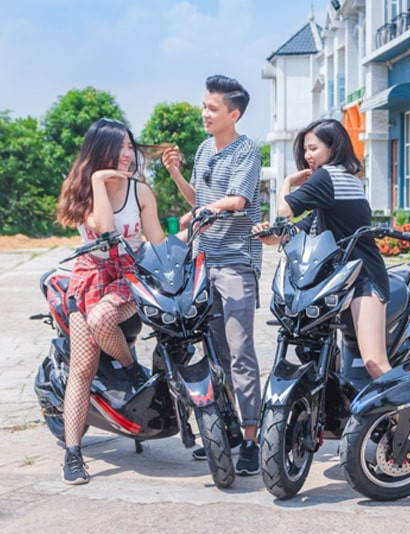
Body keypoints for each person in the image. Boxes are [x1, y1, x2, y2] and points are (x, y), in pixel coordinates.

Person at [161, 75, 262, 476]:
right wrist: (176, 175)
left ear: (233, 114)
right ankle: (229, 431)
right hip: (203, 262)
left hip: (236, 263)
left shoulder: (247, 150)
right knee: (216, 353)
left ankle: (252, 439)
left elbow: (236, 200)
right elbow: (199, 201)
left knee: (240, 352)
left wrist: (206, 211)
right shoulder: (204, 150)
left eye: (213, 108)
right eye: (204, 106)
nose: (205, 113)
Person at [56, 118, 167, 484]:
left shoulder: (140, 191)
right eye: (119, 147)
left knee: (102, 319)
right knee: (82, 367)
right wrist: (99, 180)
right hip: (90, 276)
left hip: (129, 277)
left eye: (129, 146)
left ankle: (130, 367)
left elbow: (157, 243)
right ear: (99, 150)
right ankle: (73, 454)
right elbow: (105, 229)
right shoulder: (82, 189)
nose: (127, 154)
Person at [252, 118, 392, 378]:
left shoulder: (328, 176)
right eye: (305, 149)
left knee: (374, 361)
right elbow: (299, 229)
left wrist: (287, 182)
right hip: (337, 281)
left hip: (364, 277)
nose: (307, 156)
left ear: (333, 147)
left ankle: (407, 405)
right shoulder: (343, 178)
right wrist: (270, 234)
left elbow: (284, 210)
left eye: (313, 148)